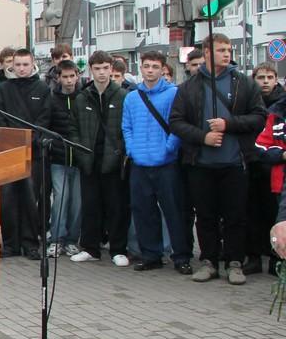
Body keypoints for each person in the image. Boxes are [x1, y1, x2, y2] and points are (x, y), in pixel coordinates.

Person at [169, 34, 266, 284]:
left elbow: (258, 117)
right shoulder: (189, 86)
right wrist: (203, 137)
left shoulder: (243, 83)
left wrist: (228, 124)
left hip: (236, 162)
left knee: (236, 216)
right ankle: (209, 261)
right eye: (222, 50)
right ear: (208, 53)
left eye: (229, 49)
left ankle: (235, 262)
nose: (227, 54)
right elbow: (176, 122)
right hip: (201, 163)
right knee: (205, 216)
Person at [122, 51, 192, 274]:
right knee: (143, 211)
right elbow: (127, 127)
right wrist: (132, 150)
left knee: (174, 211)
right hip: (140, 164)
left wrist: (169, 149)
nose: (150, 70)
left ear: (163, 70)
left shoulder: (173, 94)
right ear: (140, 68)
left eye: (155, 66)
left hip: (166, 163)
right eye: (146, 66)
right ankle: (151, 254)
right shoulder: (132, 97)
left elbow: (178, 125)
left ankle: (181, 256)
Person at [68, 52, 129, 266]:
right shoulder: (83, 97)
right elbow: (73, 128)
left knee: (116, 206)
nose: (102, 73)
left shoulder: (122, 96)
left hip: (113, 160)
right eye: (97, 68)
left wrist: (119, 152)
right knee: (90, 206)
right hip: (89, 159)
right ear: (90, 70)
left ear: (111, 68)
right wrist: (81, 151)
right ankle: (90, 248)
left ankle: (118, 249)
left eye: (105, 68)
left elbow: (126, 129)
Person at [0, 48, 53, 259]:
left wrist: (31, 141)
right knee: (7, 199)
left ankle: (30, 243)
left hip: (33, 153)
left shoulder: (42, 88)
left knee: (30, 199)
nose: (21, 68)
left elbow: (44, 119)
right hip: (9, 153)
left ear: (32, 64)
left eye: (25, 64)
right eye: (17, 65)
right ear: (12, 66)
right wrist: (11, 141)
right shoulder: (4, 89)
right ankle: (10, 244)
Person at [247, 63, 286, 274]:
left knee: (276, 216)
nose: (265, 81)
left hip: (277, 173)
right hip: (255, 165)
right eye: (260, 77)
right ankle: (255, 256)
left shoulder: (279, 106)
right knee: (254, 214)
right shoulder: (250, 98)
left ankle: (275, 260)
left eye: (269, 77)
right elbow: (261, 144)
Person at [47, 60, 82, 257]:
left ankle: (71, 240)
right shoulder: (52, 99)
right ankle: (57, 238)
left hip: (78, 159)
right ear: (58, 78)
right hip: (58, 158)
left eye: (72, 76)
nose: (69, 81)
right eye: (65, 77)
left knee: (77, 202)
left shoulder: (84, 97)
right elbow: (47, 124)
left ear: (77, 76)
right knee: (61, 199)